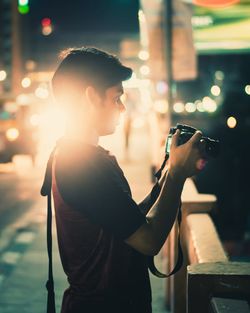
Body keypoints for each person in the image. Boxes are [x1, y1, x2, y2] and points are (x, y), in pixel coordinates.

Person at [46, 47, 204, 313]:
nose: (121, 107)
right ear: (90, 96)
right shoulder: (80, 165)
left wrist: (170, 172)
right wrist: (177, 175)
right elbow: (148, 241)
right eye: (116, 97)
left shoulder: (81, 156)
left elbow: (126, 222)